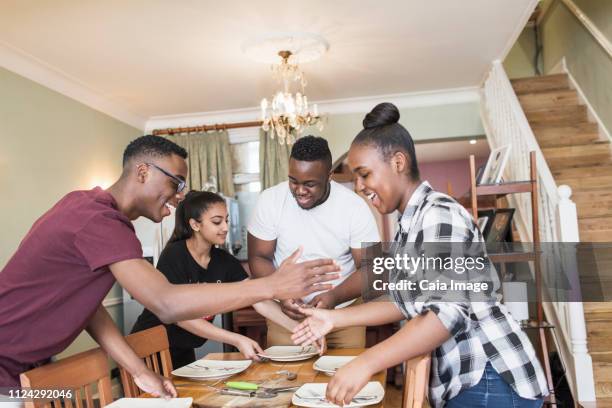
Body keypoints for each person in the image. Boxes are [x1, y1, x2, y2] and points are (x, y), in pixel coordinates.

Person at [0, 135, 339, 401]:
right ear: (143, 171)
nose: (179, 195)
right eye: (176, 183)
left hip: (29, 369)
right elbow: (166, 303)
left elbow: (89, 310)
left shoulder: (96, 216)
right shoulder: (97, 220)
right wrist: (270, 285)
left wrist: (137, 371)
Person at [291, 103, 548, 407]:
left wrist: (366, 362)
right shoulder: (411, 225)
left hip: (490, 377)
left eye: (364, 174)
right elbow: (403, 301)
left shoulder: (438, 215)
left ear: (398, 162)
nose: (359, 187)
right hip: (477, 380)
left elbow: (446, 313)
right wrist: (333, 318)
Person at [132, 190, 310, 368]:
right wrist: (236, 339)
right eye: (217, 222)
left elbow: (259, 300)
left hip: (183, 348)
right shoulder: (175, 255)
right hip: (150, 349)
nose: (225, 227)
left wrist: (301, 330)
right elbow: (181, 316)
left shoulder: (223, 261)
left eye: (226, 220)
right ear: (195, 224)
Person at [248, 135, 380, 348]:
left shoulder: (354, 208)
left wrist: (333, 297)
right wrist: (282, 293)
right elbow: (258, 257)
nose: (300, 190)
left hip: (344, 316)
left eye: (310, 184)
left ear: (328, 176)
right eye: (294, 181)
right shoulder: (270, 201)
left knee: (346, 376)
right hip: (287, 319)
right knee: (286, 379)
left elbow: (372, 269)